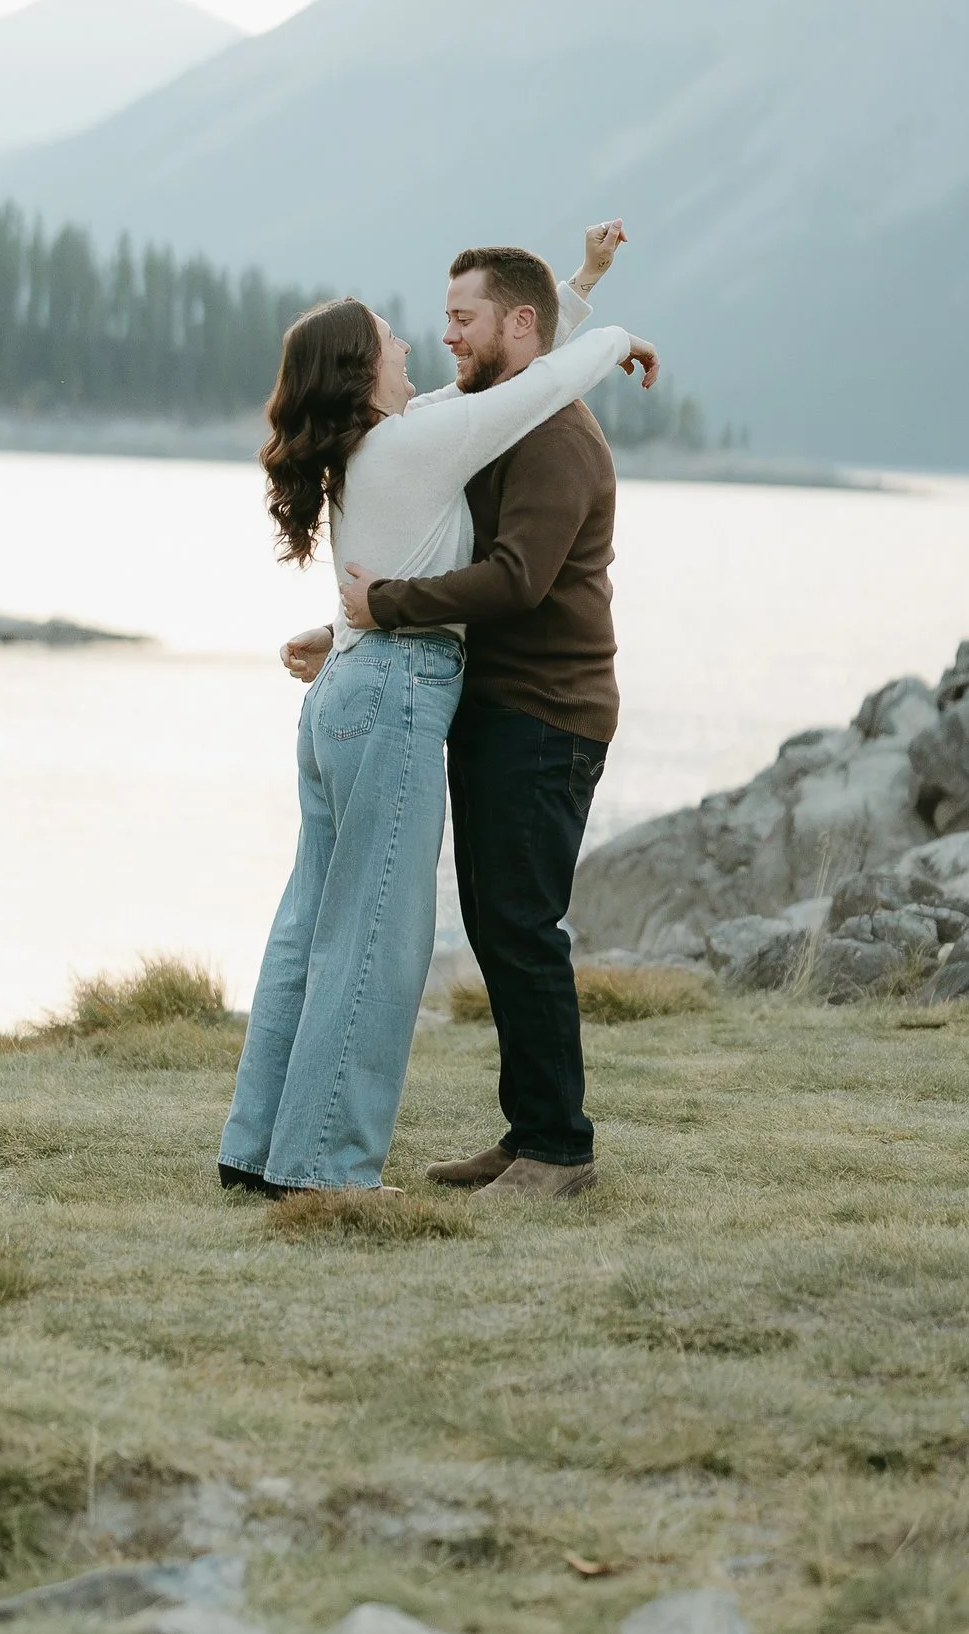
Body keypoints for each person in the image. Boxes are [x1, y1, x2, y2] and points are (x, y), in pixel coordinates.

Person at [219, 244, 656, 1199]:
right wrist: (614, 331)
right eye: (394, 338)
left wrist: (578, 294)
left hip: (391, 686)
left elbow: (524, 382)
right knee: (378, 932)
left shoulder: (410, 434)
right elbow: (526, 372)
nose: (422, 339)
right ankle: (328, 1167)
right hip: (395, 687)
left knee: (327, 925)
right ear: (361, 374)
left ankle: (262, 1147)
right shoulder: (423, 435)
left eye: (460, 318)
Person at [330, 227, 637, 1201]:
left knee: (520, 924)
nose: (447, 336)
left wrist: (385, 606)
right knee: (502, 924)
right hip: (504, 709)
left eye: (462, 319)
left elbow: (516, 580)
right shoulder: (507, 413)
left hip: (550, 716)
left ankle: (560, 1153)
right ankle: (528, 1132)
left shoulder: (554, 438)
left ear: (515, 324)